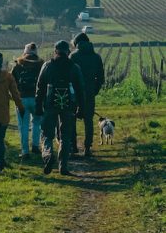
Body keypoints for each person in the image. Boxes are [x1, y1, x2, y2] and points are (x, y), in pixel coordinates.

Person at [35, 40, 85, 176]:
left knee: (46, 134)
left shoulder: (47, 66)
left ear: (55, 51)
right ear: (68, 52)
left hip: (50, 103)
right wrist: (81, 108)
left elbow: (40, 87)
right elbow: (80, 89)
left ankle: (48, 155)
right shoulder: (74, 67)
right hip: (68, 105)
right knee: (66, 136)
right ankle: (63, 166)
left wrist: (38, 106)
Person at [70, 32, 105, 157]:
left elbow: (69, 75)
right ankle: (87, 148)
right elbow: (100, 77)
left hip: (74, 92)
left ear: (77, 43)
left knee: (72, 119)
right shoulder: (96, 57)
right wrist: (94, 90)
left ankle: (73, 146)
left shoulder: (73, 56)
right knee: (88, 120)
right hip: (90, 92)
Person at [12, 42, 44, 159]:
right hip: (37, 99)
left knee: (23, 126)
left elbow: (12, 81)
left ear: (25, 52)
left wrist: (14, 96)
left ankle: (25, 151)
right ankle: (35, 146)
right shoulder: (41, 65)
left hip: (22, 99)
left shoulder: (18, 65)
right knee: (37, 123)